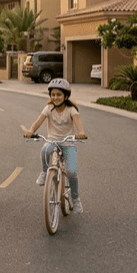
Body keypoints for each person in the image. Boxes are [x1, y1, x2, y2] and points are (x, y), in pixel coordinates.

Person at [23, 78, 88, 213]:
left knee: (71, 172)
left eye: (59, 94)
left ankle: (76, 200)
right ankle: (45, 170)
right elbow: (37, 122)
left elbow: (78, 124)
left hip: (68, 143)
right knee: (45, 150)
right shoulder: (49, 108)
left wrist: (81, 133)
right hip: (52, 141)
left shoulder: (71, 110)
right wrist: (30, 131)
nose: (55, 97)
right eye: (53, 94)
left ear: (66, 96)